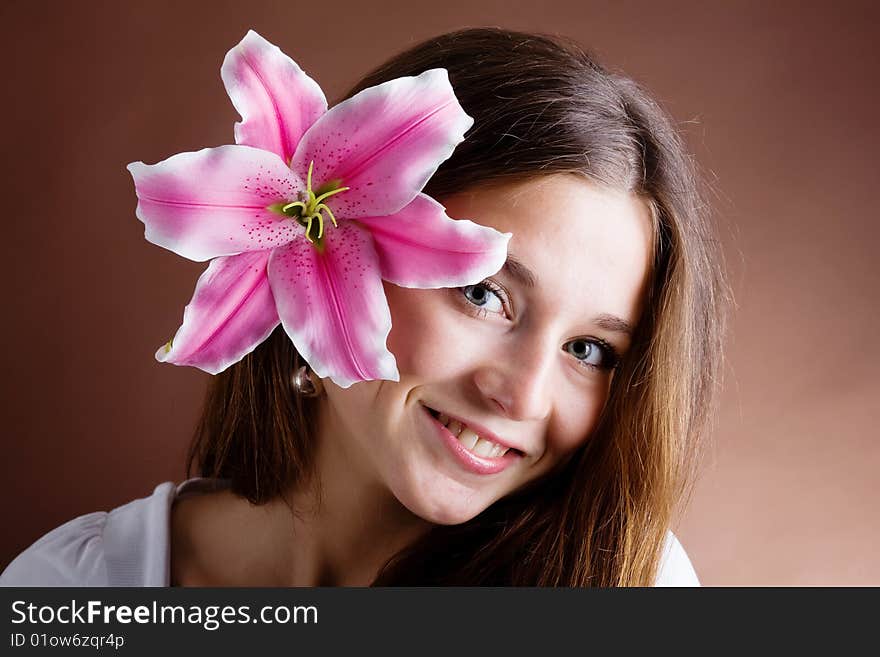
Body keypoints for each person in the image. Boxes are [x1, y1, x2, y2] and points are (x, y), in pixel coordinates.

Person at [1, 27, 726, 587]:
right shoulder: (81, 588)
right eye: (483, 293)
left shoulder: (626, 586)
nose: (524, 394)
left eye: (590, 350)